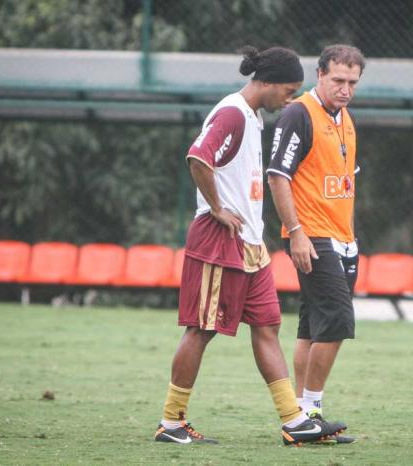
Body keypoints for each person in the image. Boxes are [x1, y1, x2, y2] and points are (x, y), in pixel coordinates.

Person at [154, 46, 344, 446]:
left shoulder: (253, 117)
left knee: (268, 325)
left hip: (249, 244)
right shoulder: (232, 113)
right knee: (200, 330)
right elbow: (197, 156)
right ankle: (171, 423)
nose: (290, 99)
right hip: (217, 240)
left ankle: (294, 422)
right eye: (289, 91)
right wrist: (218, 208)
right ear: (268, 82)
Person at [267, 44, 365, 442]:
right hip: (313, 236)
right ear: (320, 75)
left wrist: (352, 238)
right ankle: (308, 411)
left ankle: (304, 418)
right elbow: (277, 174)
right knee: (338, 322)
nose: (345, 89)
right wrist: (296, 232)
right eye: (338, 80)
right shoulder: (298, 113)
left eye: (352, 83)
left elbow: (344, 183)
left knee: (312, 326)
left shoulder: (345, 117)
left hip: (343, 239)